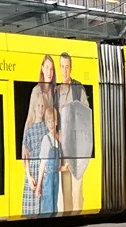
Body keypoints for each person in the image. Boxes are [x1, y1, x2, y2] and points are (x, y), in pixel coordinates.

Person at [56, 52, 92, 215]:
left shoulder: (78, 89)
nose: (64, 70)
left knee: (76, 192)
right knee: (64, 193)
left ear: (71, 68)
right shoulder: (55, 91)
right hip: (61, 149)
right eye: (62, 67)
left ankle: (77, 218)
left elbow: (86, 114)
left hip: (76, 148)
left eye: (67, 67)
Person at [23, 54, 57, 162]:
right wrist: (24, 145)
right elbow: (30, 118)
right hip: (38, 141)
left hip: (51, 141)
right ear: (42, 69)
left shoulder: (55, 91)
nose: (49, 72)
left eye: (51, 69)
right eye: (47, 68)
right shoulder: (36, 91)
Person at [21, 90, 49, 216]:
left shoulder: (47, 127)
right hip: (32, 171)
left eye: (43, 106)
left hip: (44, 170)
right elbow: (26, 158)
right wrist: (29, 176)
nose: (40, 108)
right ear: (34, 107)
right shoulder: (29, 130)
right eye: (38, 106)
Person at [36, 105, 60, 216]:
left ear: (56, 122)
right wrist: (39, 185)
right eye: (48, 121)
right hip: (48, 179)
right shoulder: (46, 139)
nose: (50, 123)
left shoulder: (57, 140)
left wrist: (61, 168)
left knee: (54, 205)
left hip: (55, 176)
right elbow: (43, 163)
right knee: (48, 205)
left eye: (52, 120)